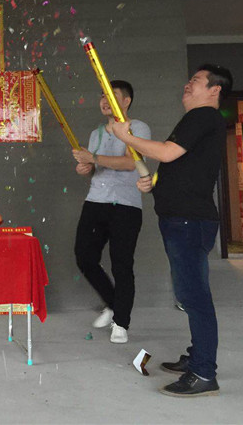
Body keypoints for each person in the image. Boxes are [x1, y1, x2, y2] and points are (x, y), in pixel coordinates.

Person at [111, 65, 233, 397]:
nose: (187, 84)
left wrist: (126, 136)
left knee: (194, 297)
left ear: (214, 90)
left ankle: (204, 373)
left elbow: (167, 152)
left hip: (188, 220)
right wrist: (154, 182)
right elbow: (183, 166)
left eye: (196, 81)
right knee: (190, 294)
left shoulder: (203, 116)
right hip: (183, 218)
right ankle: (198, 355)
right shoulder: (199, 119)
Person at [72, 80, 151, 344]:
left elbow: (131, 162)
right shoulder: (96, 133)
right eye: (103, 95)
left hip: (126, 206)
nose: (105, 100)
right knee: (85, 257)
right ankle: (113, 303)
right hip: (95, 202)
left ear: (126, 101)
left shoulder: (137, 128)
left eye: (112, 95)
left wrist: (93, 159)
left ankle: (121, 322)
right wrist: (86, 168)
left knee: (121, 264)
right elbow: (95, 169)